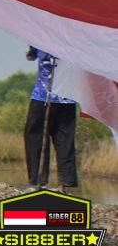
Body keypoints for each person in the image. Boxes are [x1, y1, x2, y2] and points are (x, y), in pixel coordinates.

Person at [24, 47, 78, 193]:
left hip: (43, 95)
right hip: (67, 97)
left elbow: (30, 56)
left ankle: (37, 181)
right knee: (64, 140)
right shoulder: (74, 39)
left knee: (36, 137)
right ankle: (63, 184)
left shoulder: (42, 34)